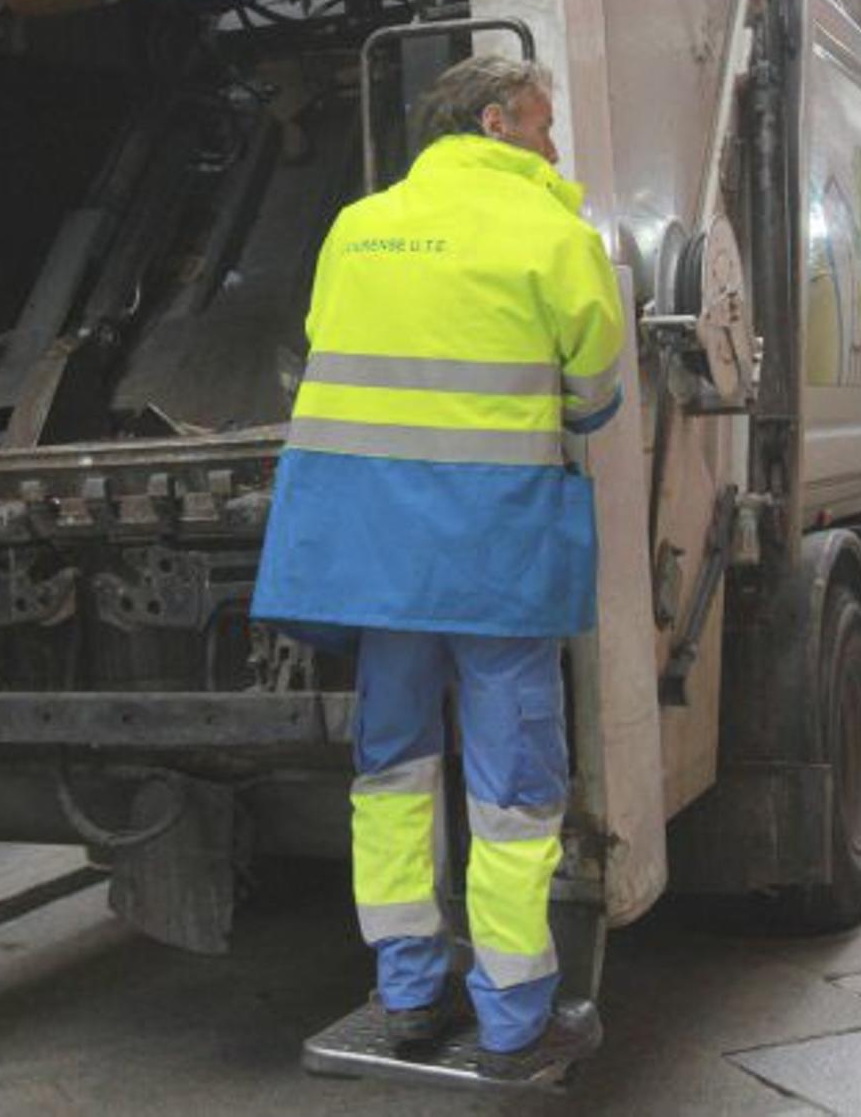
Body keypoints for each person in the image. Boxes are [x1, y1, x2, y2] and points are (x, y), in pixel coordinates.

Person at [252, 56, 624, 1082]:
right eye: (544, 125)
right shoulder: (555, 232)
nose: (553, 148)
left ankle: (408, 991)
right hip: (493, 552)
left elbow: (332, 351)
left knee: (393, 771)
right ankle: (514, 1022)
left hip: (374, 557)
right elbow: (596, 394)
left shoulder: (357, 224)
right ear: (498, 121)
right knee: (513, 790)